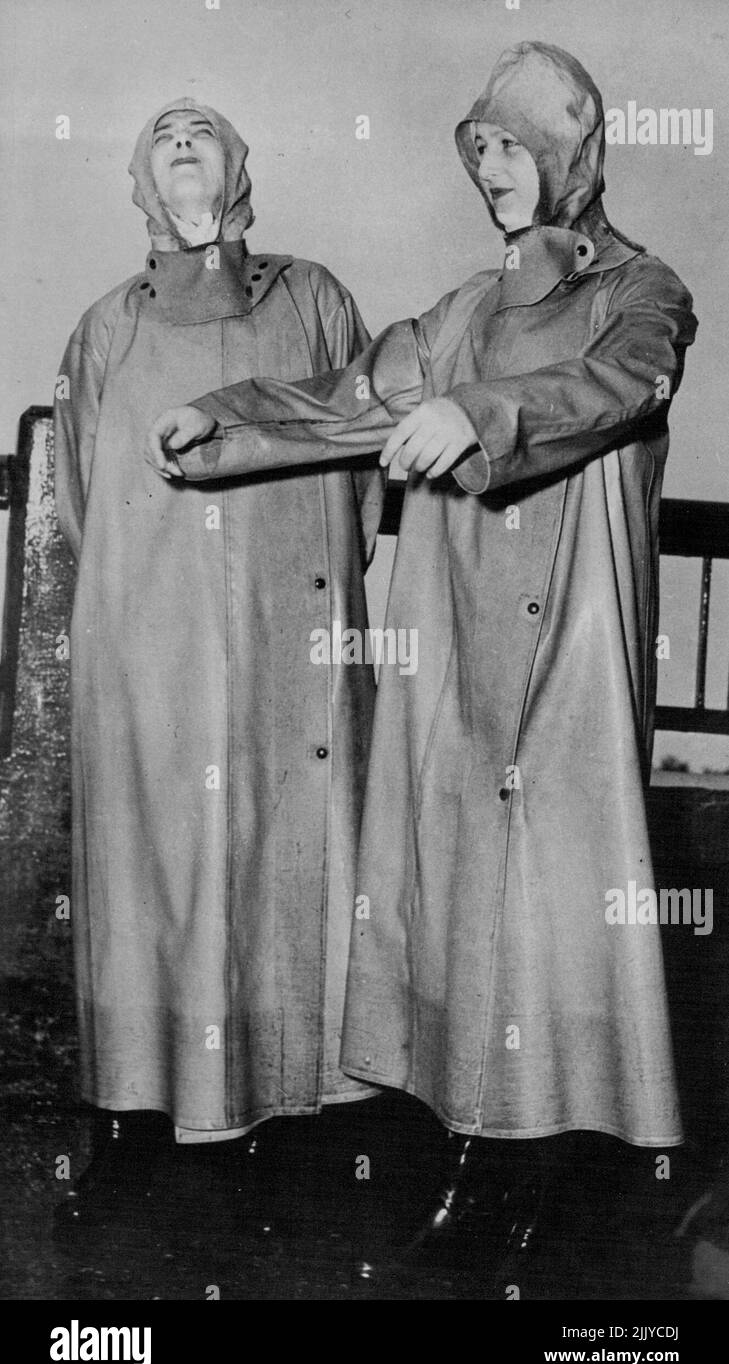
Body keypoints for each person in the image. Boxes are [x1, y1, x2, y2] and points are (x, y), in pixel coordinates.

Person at [146, 44, 697, 1276]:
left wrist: (481, 416)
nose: (493, 172)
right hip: (455, 636)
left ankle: (558, 1175)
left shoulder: (644, 291)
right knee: (458, 912)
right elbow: (348, 396)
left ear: (569, 153)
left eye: (513, 147)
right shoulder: (462, 311)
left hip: (570, 654)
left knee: (553, 917)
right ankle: (478, 1156)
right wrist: (225, 420)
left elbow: (615, 384)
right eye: (480, 149)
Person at [53, 98, 384, 1224]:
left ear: (242, 166)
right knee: (155, 866)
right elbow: (85, 495)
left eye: (204, 129)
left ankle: (306, 1122)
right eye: (161, 135)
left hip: (290, 638)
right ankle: (140, 1118)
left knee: (294, 851)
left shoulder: (316, 297)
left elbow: (367, 458)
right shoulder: (106, 328)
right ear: (142, 181)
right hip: (150, 642)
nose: (183, 140)